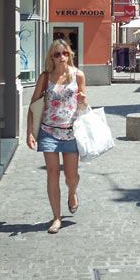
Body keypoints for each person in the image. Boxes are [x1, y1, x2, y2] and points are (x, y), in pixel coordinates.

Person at [26, 39, 88, 234]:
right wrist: (29, 133)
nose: (62, 57)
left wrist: (84, 101)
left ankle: (72, 192)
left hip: (71, 132)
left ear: (70, 54)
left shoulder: (78, 75)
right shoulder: (45, 77)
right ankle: (56, 217)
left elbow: (83, 106)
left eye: (65, 53)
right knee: (52, 174)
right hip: (49, 132)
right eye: (57, 54)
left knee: (71, 176)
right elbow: (33, 106)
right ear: (51, 57)